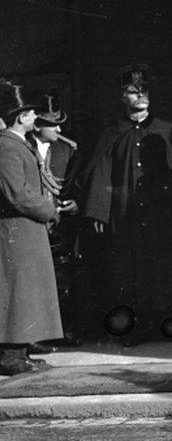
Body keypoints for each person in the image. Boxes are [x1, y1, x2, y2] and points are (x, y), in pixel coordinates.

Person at [81, 64, 172, 346]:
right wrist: (99, 210)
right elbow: (101, 171)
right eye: (133, 91)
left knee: (168, 268)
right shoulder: (113, 133)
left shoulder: (167, 132)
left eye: (144, 90)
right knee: (131, 270)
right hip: (127, 216)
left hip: (162, 216)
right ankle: (138, 328)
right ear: (122, 97)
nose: (140, 96)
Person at [0, 80, 63, 375]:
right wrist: (48, 209)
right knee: (17, 291)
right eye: (30, 112)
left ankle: (21, 349)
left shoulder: (16, 144)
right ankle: (11, 355)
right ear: (20, 117)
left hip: (26, 229)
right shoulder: (7, 147)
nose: (34, 116)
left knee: (28, 290)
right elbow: (17, 192)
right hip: (16, 230)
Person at [31, 94, 85, 349]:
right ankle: (36, 335)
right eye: (53, 125)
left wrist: (77, 203)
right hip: (32, 223)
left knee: (63, 278)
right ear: (37, 125)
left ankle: (65, 330)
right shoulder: (22, 147)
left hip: (60, 226)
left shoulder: (67, 149)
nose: (59, 129)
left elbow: (77, 184)